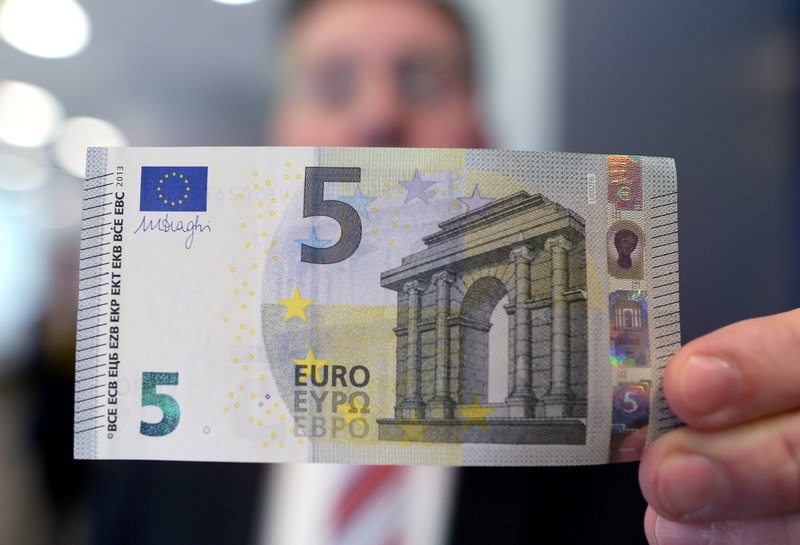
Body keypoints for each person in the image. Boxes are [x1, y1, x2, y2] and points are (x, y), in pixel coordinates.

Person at [90, 1, 800, 544]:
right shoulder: (159, 438)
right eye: (333, 85)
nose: (379, 112)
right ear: (275, 142)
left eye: (424, 81)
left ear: (484, 136)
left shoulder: (628, 465)